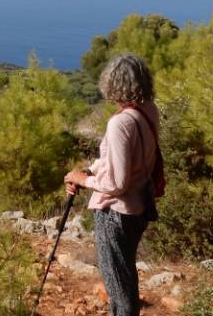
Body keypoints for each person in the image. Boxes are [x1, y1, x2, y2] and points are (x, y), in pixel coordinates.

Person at [64, 54, 163, 316]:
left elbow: (116, 182)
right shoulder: (149, 110)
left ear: (112, 83)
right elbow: (127, 161)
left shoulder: (119, 123)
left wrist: (83, 179)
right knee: (125, 276)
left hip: (115, 213)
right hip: (139, 208)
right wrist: (90, 170)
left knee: (118, 286)